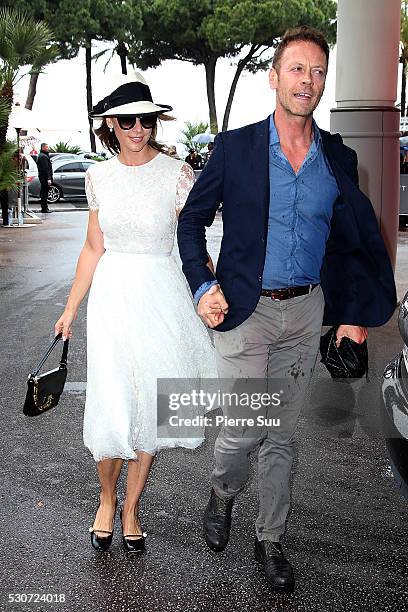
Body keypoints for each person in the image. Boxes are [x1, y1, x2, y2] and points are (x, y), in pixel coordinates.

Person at [177, 26, 397, 592]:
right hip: (245, 312)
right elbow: (191, 221)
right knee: (245, 429)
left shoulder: (338, 158)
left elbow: (351, 241)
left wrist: (351, 313)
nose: (309, 80)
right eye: (297, 69)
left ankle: (270, 538)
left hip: (306, 314)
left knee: (284, 434)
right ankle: (223, 491)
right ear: (275, 77)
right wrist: (203, 287)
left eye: (319, 71)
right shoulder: (237, 147)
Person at [54, 74, 216, 554]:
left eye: (146, 119)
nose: (139, 128)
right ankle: (106, 498)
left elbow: (193, 242)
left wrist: (210, 289)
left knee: (152, 407)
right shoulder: (98, 176)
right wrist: (70, 307)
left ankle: (130, 509)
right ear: (111, 123)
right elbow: (92, 246)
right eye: (129, 120)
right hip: (112, 298)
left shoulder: (177, 173)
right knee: (114, 403)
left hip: (162, 296)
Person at [36, 143, 53, 213]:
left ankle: (45, 208)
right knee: (44, 193)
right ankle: (44, 208)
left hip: (43, 177)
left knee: (44, 192)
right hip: (44, 177)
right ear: (43, 147)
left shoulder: (43, 155)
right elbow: (45, 169)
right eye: (46, 147)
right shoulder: (43, 156)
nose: (47, 148)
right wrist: (48, 178)